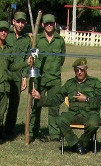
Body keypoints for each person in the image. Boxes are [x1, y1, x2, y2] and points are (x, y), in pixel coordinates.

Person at [30, 57, 101, 154]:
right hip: (74, 114)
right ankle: (76, 144)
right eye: (77, 70)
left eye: (82, 69)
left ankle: (82, 142)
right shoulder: (70, 83)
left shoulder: (95, 82)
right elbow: (56, 99)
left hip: (90, 114)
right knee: (60, 120)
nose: (79, 72)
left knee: (94, 123)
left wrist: (86, 99)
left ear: (86, 69)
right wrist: (41, 97)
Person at [29, 13, 65, 142]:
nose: (49, 25)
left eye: (52, 23)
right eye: (47, 23)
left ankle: (54, 134)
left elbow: (62, 59)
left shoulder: (60, 41)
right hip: (40, 78)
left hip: (54, 78)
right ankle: (32, 131)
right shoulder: (37, 40)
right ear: (43, 25)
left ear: (55, 24)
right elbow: (32, 58)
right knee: (36, 106)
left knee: (54, 106)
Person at [3, 11, 30, 140]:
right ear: (13, 21)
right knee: (2, 103)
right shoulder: (6, 35)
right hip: (5, 74)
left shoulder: (26, 40)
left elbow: (27, 58)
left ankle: (8, 130)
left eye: (22, 22)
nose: (20, 24)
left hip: (18, 75)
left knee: (14, 105)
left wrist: (24, 78)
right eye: (18, 21)